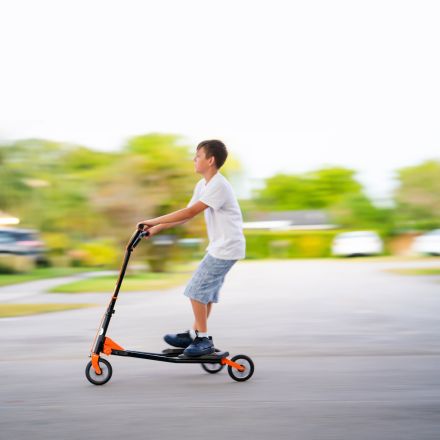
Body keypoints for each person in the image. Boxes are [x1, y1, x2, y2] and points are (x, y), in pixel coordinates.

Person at [137, 139, 246, 357]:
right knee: (203, 293)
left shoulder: (219, 185)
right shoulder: (203, 185)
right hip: (220, 246)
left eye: (197, 156)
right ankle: (196, 333)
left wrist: (151, 220)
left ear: (210, 160)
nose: (194, 160)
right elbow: (184, 216)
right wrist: (155, 228)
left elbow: (189, 213)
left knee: (196, 290)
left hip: (226, 247)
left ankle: (202, 339)